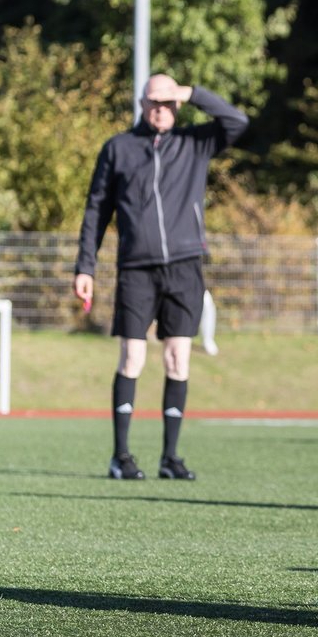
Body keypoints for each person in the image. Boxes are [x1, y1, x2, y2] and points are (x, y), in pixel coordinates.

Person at [73, 74, 249, 481]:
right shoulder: (118, 148)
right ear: (141, 102)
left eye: (169, 102)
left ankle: (170, 457)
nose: (161, 108)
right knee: (132, 356)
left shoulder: (195, 143)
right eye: (154, 101)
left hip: (186, 267)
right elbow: (96, 211)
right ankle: (121, 456)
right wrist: (85, 266)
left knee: (177, 358)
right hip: (135, 268)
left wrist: (192, 93)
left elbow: (237, 122)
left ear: (178, 105)